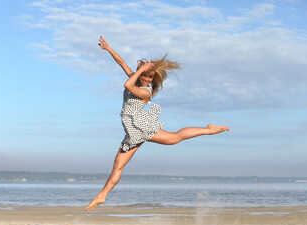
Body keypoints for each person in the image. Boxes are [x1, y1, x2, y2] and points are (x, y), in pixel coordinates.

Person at [85, 36, 229, 211]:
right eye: (144, 75)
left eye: (149, 77)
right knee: (118, 165)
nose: (146, 79)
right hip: (132, 131)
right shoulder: (136, 78)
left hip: (140, 127)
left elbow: (127, 84)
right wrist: (109, 49)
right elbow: (122, 63)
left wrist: (140, 71)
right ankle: (102, 196)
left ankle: (208, 130)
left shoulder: (145, 92)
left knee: (173, 138)